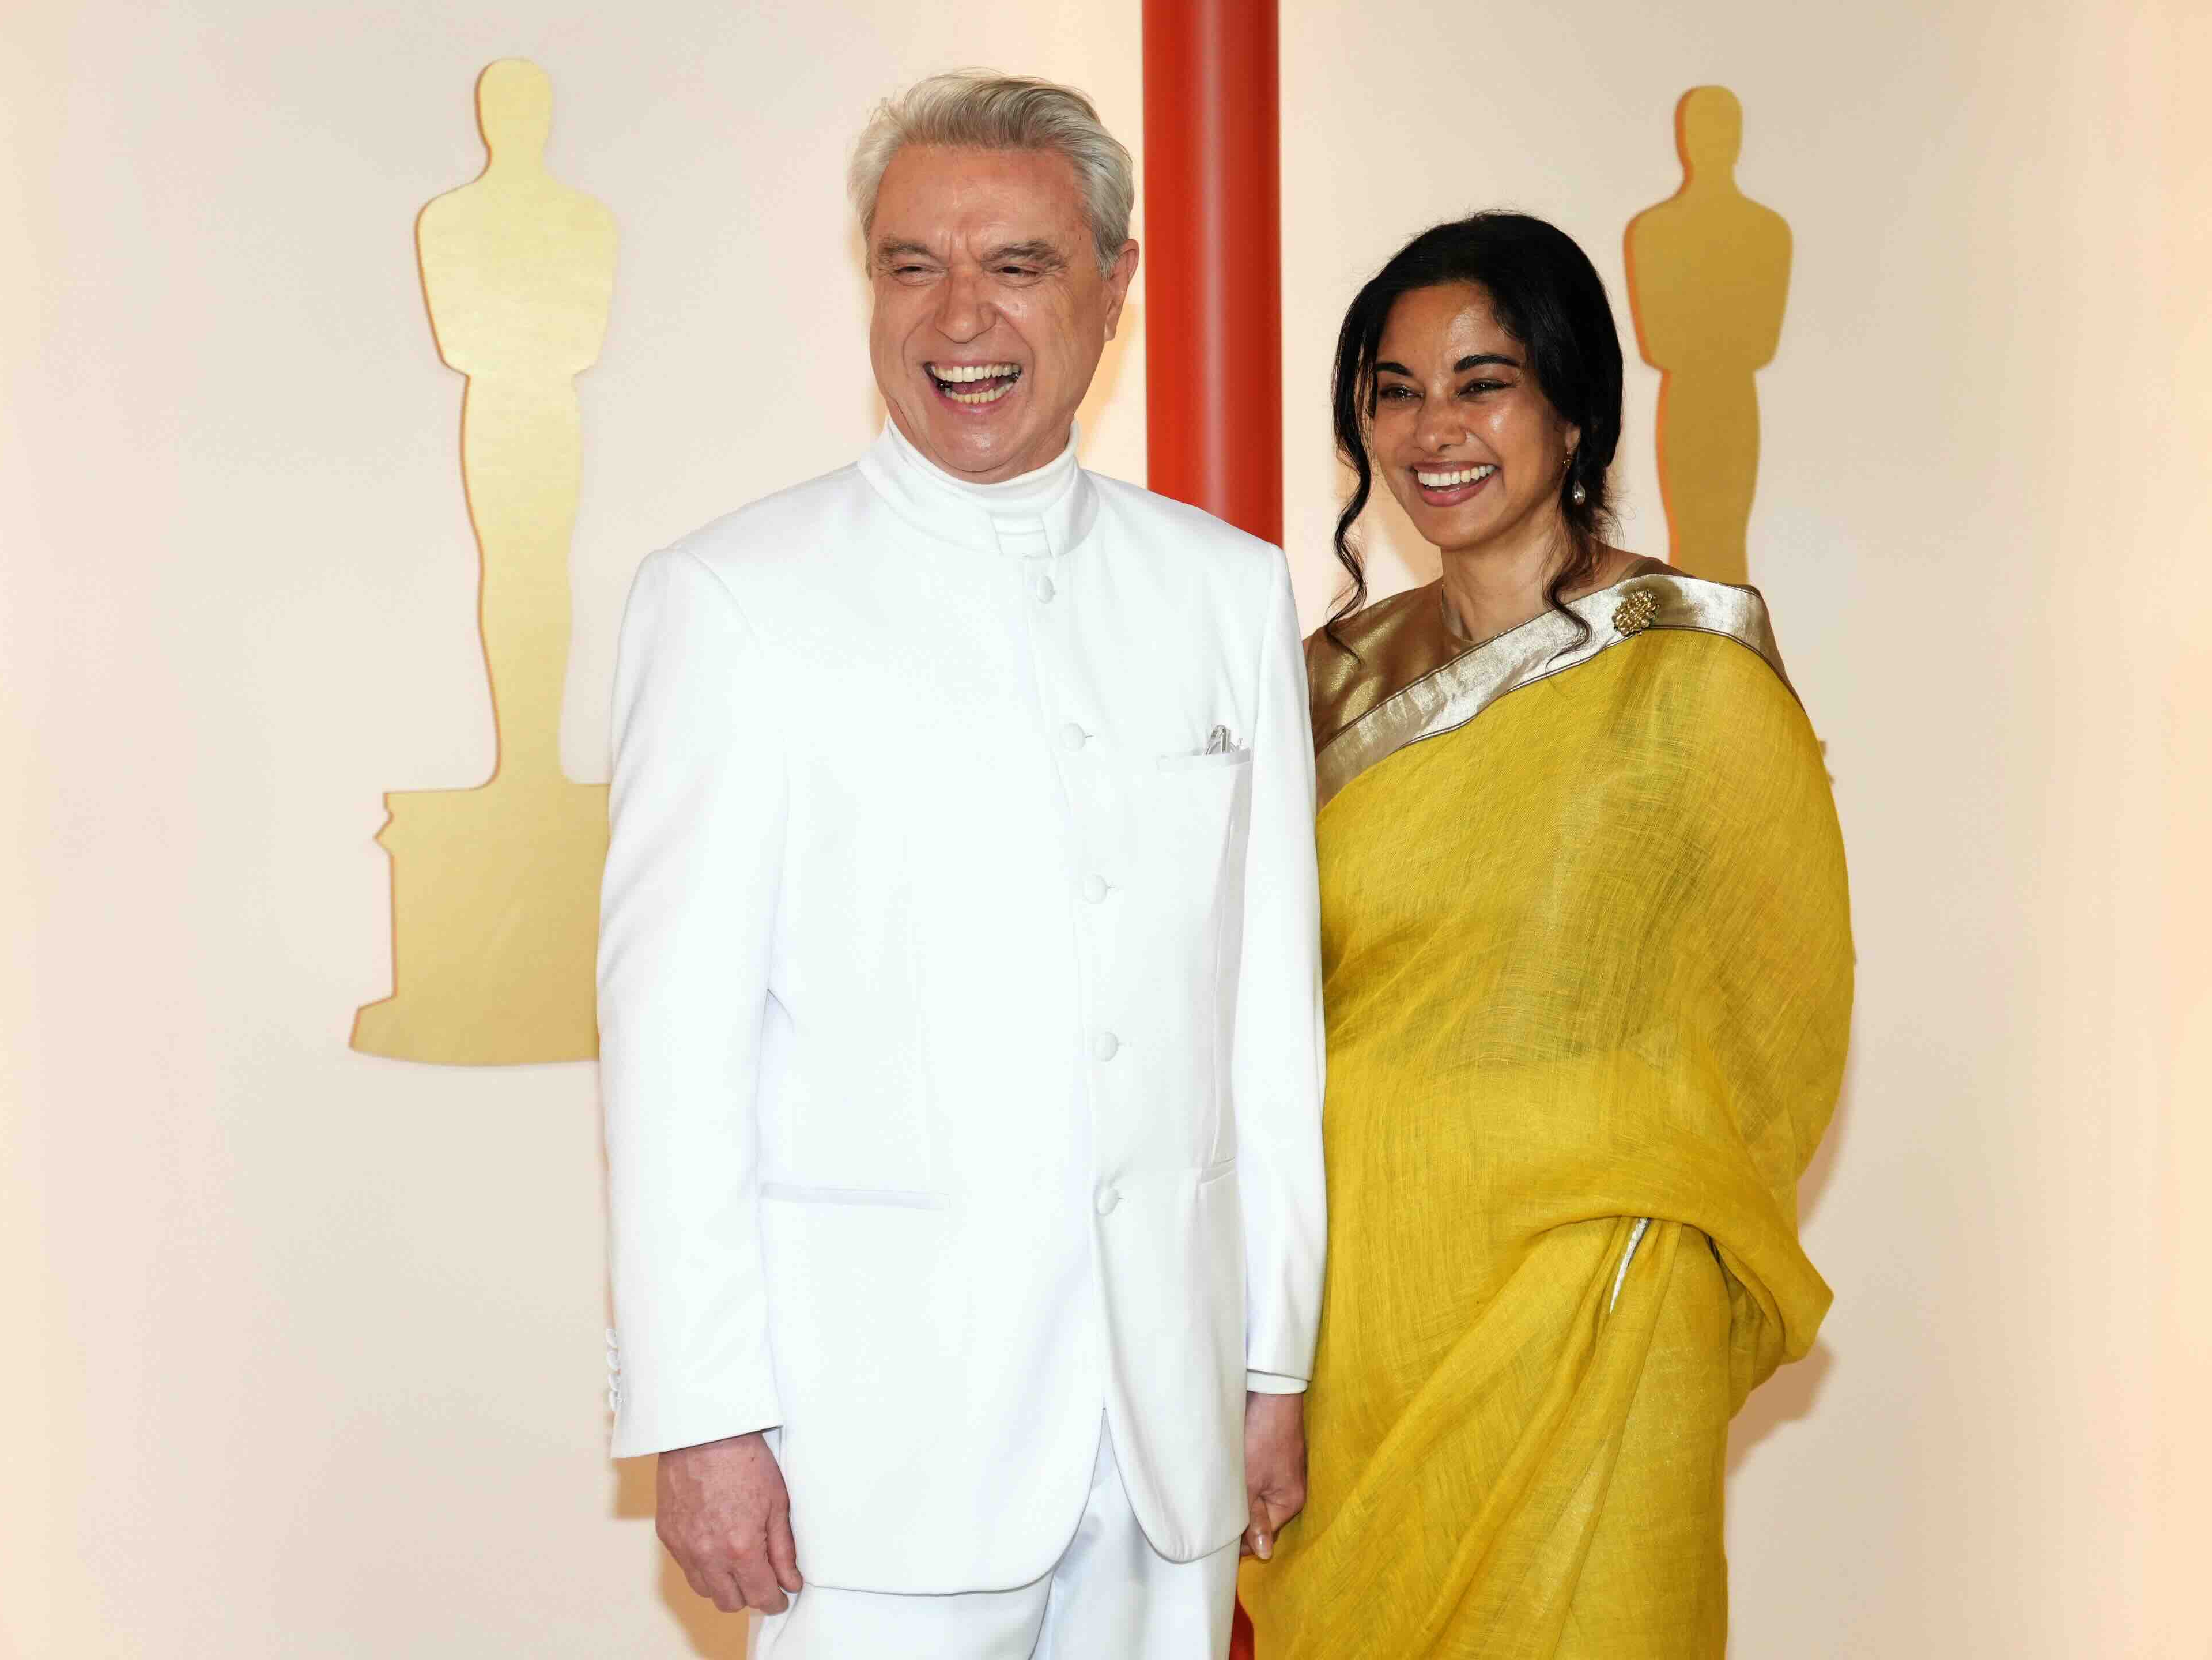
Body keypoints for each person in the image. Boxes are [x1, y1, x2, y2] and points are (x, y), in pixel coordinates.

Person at [597, 71, 1326, 1660]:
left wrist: (1271, 1365)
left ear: (1116, 285)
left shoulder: (1225, 594)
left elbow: (1265, 1023)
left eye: (1018, 265)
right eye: (912, 263)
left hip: (1167, 1438)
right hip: (870, 1459)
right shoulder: (732, 601)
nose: (959, 316)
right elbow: (672, 1053)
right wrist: (702, 1413)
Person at [1237, 212, 1852, 1658]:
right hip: (1367, 1308)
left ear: (1574, 409)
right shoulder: (1325, 685)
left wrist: (1656, 1214)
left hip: (1600, 1303)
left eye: (1483, 380)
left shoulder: (1690, 670)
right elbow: (1258, 1002)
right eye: (1394, 390)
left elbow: (1783, 1006)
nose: (1433, 428)